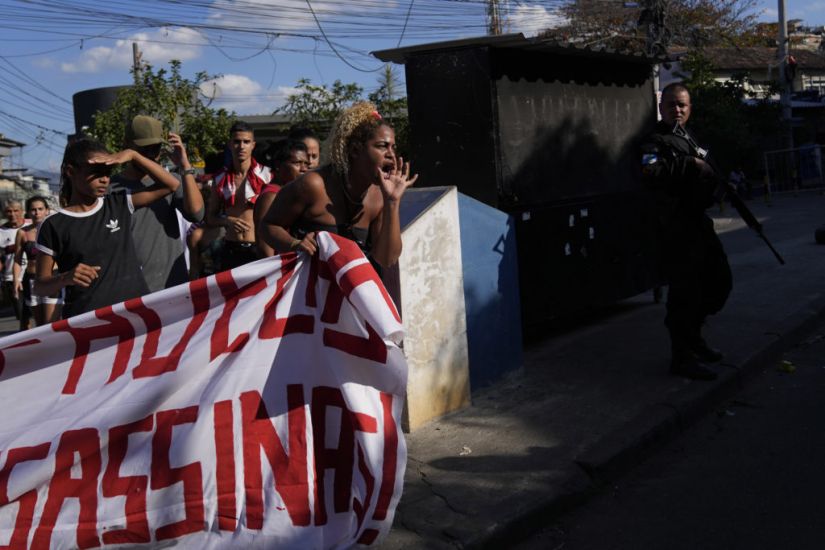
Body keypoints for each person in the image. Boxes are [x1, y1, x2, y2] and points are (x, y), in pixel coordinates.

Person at [642, 82, 732, 381]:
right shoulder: (654, 141)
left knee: (720, 282)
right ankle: (682, 357)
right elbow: (650, 171)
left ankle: (694, 337)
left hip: (698, 222)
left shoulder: (690, 137)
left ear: (690, 108)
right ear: (661, 107)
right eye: (671, 105)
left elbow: (714, 173)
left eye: (682, 105)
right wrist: (689, 164)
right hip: (675, 226)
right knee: (685, 293)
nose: (677, 110)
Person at [34, 138, 180, 319]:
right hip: (89, 322)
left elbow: (171, 185)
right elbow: (40, 286)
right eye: (96, 173)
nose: (104, 179)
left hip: (137, 313)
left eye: (108, 172)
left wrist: (133, 155)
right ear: (70, 172)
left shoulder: (118, 204)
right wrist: (66, 278)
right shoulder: (53, 224)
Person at [261, 101, 417, 269]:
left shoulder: (380, 196)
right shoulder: (313, 185)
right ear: (355, 150)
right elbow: (268, 226)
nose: (391, 155)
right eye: (382, 146)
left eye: (393, 148)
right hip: (310, 291)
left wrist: (392, 202)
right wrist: (295, 244)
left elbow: (387, 259)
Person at [109, 115, 205, 292]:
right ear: (126, 145)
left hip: (171, 286)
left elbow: (196, 213)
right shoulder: (110, 188)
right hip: (127, 290)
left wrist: (185, 167)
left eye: (156, 148)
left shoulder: (172, 180)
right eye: (143, 150)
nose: (150, 155)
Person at [206, 121, 271, 270]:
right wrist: (228, 221)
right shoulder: (220, 179)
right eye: (237, 141)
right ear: (230, 144)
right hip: (231, 248)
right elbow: (210, 218)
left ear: (253, 145)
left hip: (259, 249)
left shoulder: (267, 175)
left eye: (246, 142)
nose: (241, 146)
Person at [254, 139, 310, 257]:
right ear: (278, 165)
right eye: (297, 163)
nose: (304, 169)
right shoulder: (270, 197)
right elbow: (265, 248)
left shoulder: (291, 193)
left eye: (306, 164)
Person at [12, 196, 61, 328]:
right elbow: (17, 259)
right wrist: (16, 280)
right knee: (39, 325)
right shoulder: (22, 233)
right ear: (28, 212)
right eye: (33, 209)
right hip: (32, 280)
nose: (37, 212)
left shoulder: (55, 229)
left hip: (52, 278)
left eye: (40, 209)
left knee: (51, 323)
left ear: (47, 210)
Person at [1, 199, 26, 319]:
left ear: (22, 211)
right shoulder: (1, 232)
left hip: (33, 275)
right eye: (9, 211)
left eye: (16, 210)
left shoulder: (31, 225)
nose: (12, 214)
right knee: (22, 316)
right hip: (11, 278)